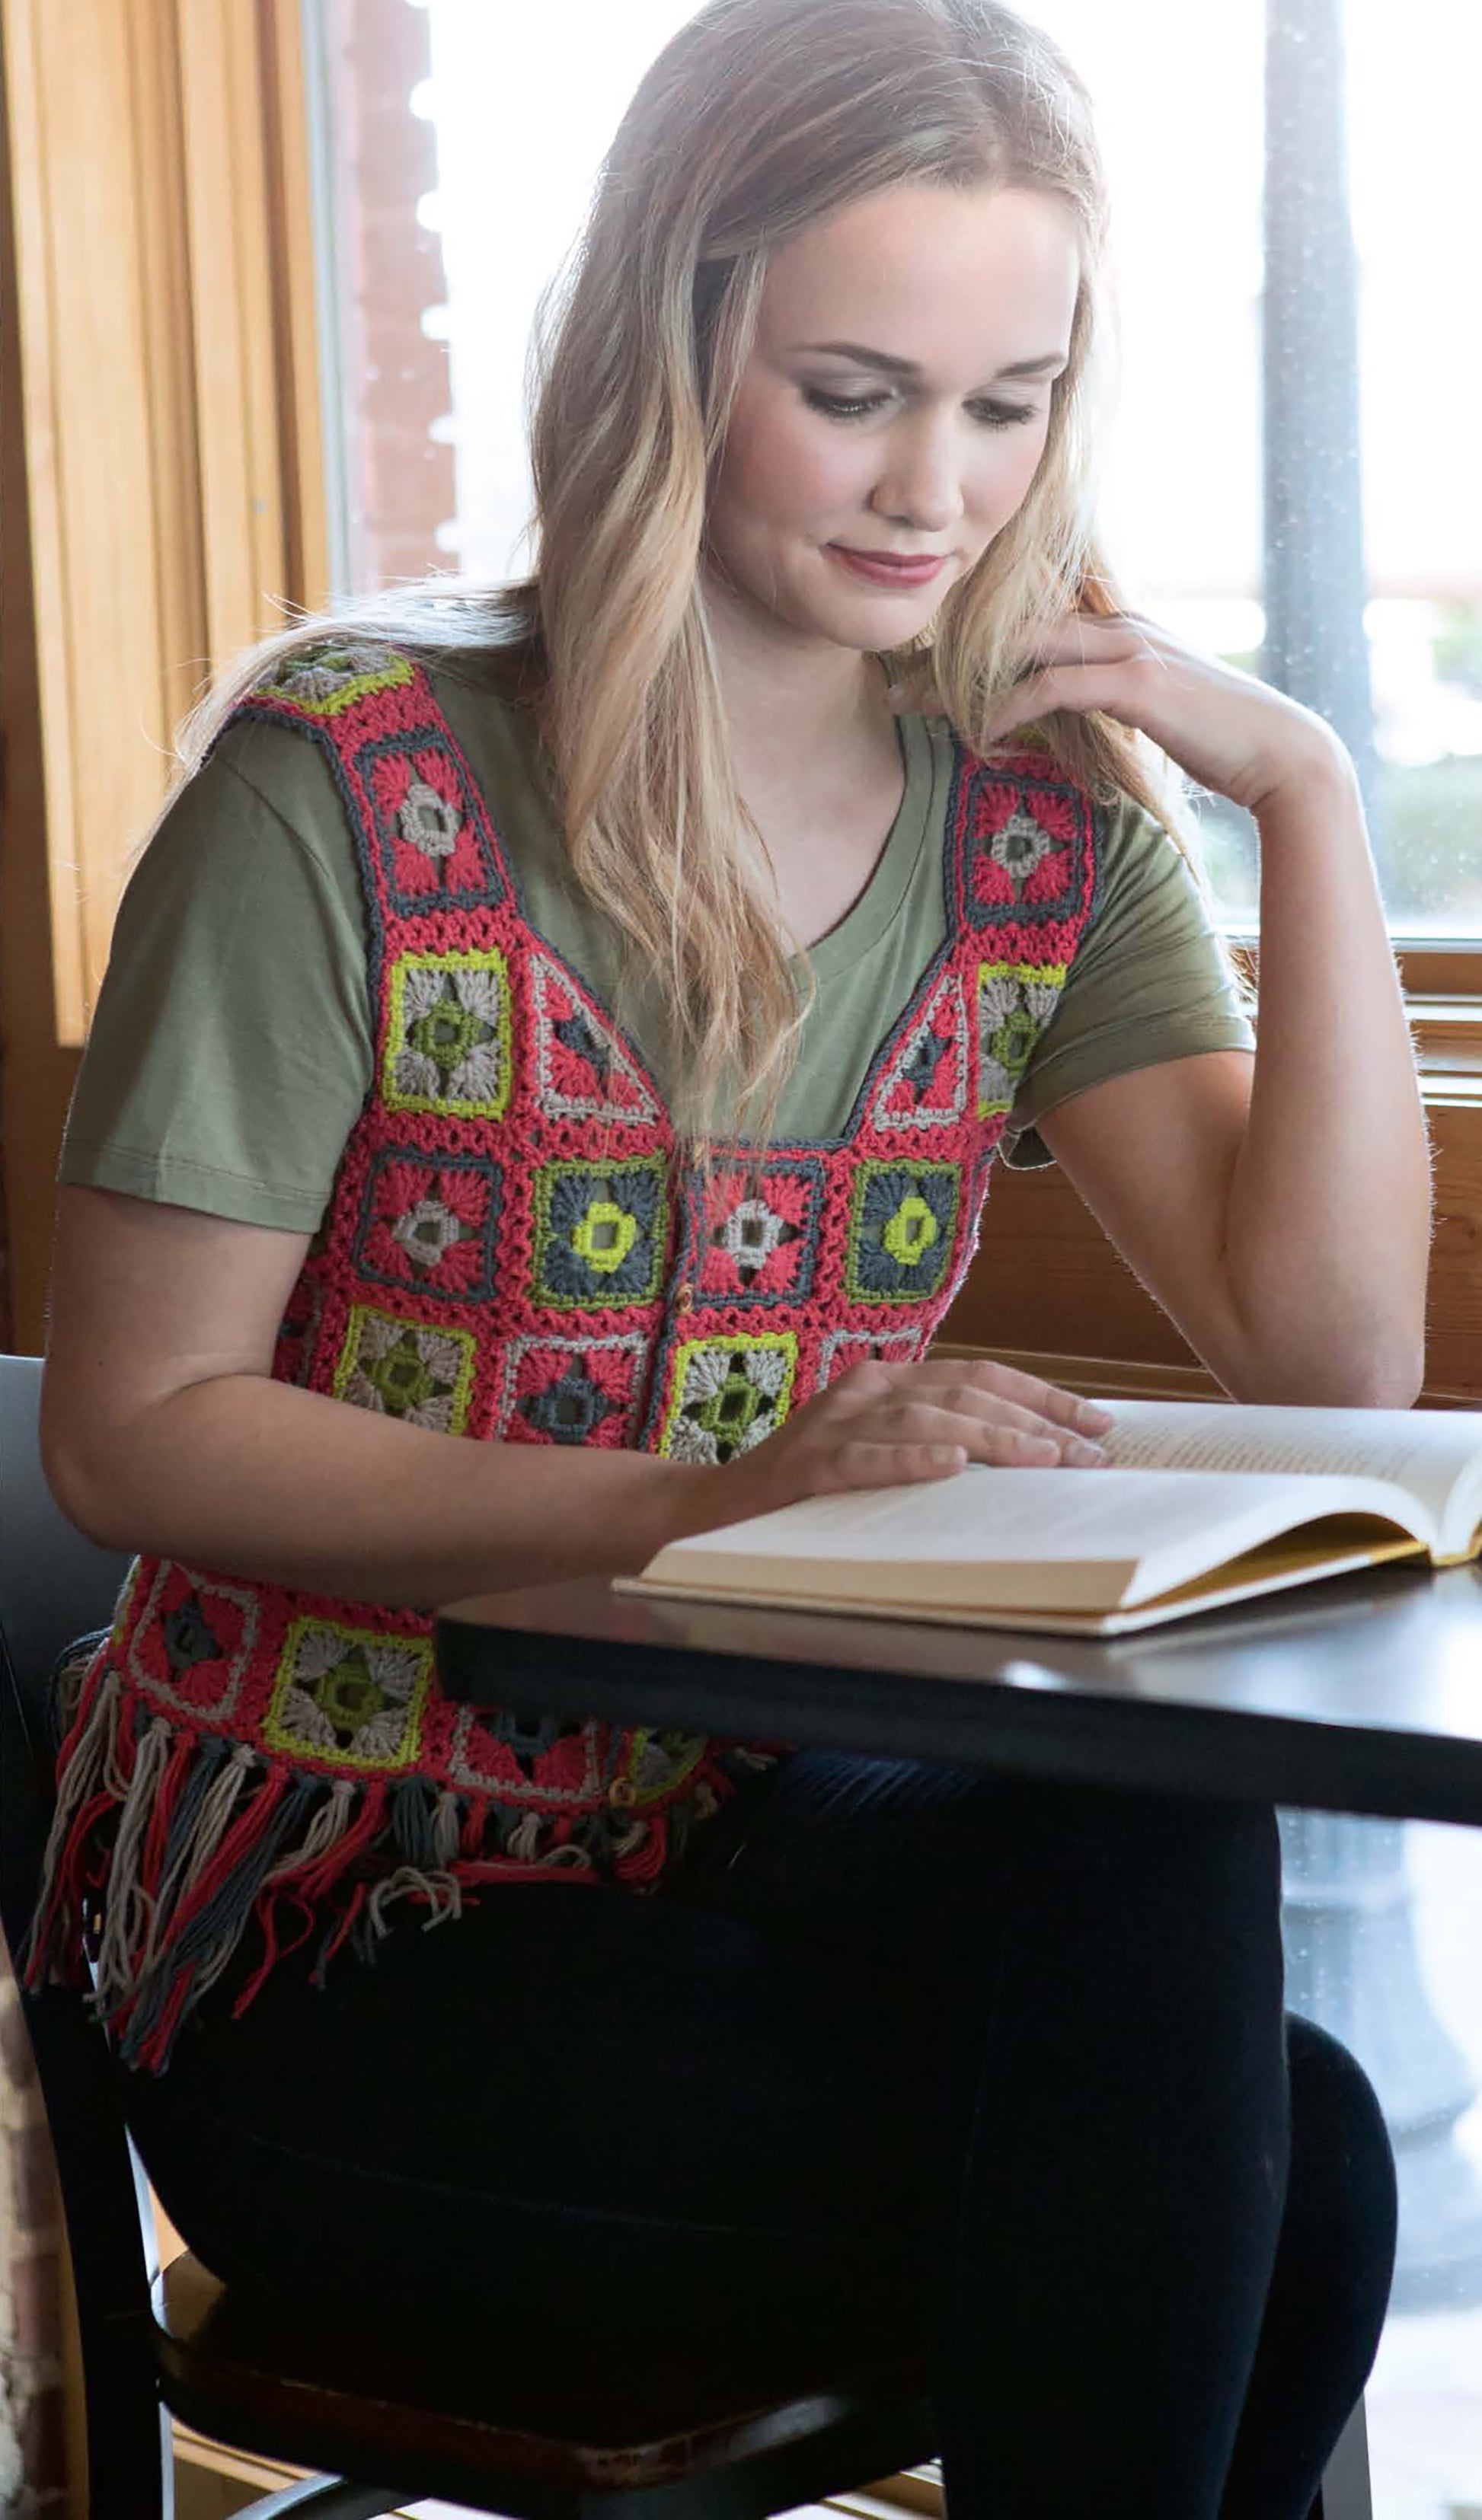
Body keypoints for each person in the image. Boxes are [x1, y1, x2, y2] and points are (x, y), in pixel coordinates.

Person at [27, 0, 1425, 2509]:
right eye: (858, 388)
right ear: (672, 350)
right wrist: (701, 1495)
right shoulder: (339, 787)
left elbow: (1320, 1352)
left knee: (1215, 1982)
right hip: (349, 1954)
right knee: (1240, 2177)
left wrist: (1303, 796)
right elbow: (135, 1434)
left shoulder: (1044, 826)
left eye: (1010, 402)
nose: (942, 488)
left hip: (756, 1857)